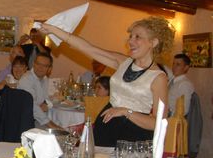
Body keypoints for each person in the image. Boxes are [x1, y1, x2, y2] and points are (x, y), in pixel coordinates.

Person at [38, 17, 174, 146]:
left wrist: (126, 112)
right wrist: (53, 29)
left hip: (133, 136)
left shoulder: (158, 77)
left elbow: (158, 123)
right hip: (106, 125)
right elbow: (87, 48)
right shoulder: (123, 62)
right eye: (130, 36)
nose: (130, 42)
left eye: (137, 37)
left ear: (153, 42)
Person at [17, 51, 60, 129]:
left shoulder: (45, 79)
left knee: (65, 126)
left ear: (49, 68)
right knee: (57, 132)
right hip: (25, 122)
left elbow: (51, 98)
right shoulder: (26, 79)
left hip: (37, 118)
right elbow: (32, 107)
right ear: (34, 64)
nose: (40, 68)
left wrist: (47, 104)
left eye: (44, 66)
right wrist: (52, 125)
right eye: (38, 64)